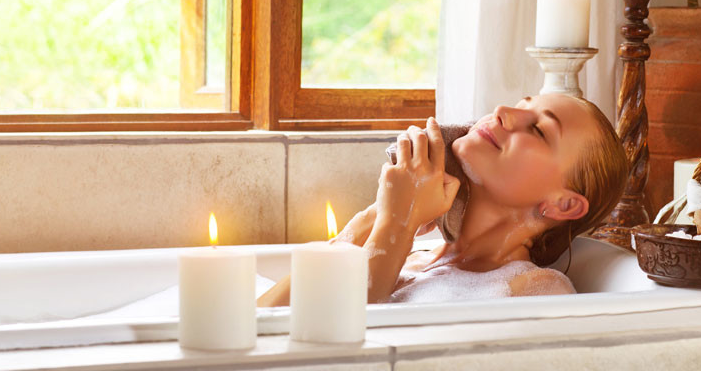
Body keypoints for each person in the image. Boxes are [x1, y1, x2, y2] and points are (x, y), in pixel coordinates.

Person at [259, 93, 628, 306]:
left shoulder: (537, 293)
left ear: (562, 204)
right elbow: (262, 326)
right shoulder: (412, 258)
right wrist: (375, 216)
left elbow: (349, 354)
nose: (503, 112)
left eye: (538, 129)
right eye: (520, 103)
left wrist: (398, 223)